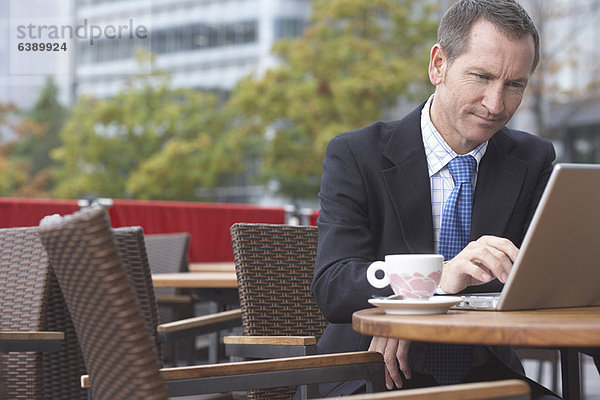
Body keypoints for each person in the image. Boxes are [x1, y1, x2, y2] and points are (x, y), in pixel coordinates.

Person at [311, 0, 561, 398]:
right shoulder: (356, 154)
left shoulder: (532, 159)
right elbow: (334, 285)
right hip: (371, 373)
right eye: (481, 76)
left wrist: (416, 313)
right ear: (438, 65)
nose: (495, 105)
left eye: (514, 85)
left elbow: (535, 281)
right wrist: (423, 291)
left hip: (487, 376)